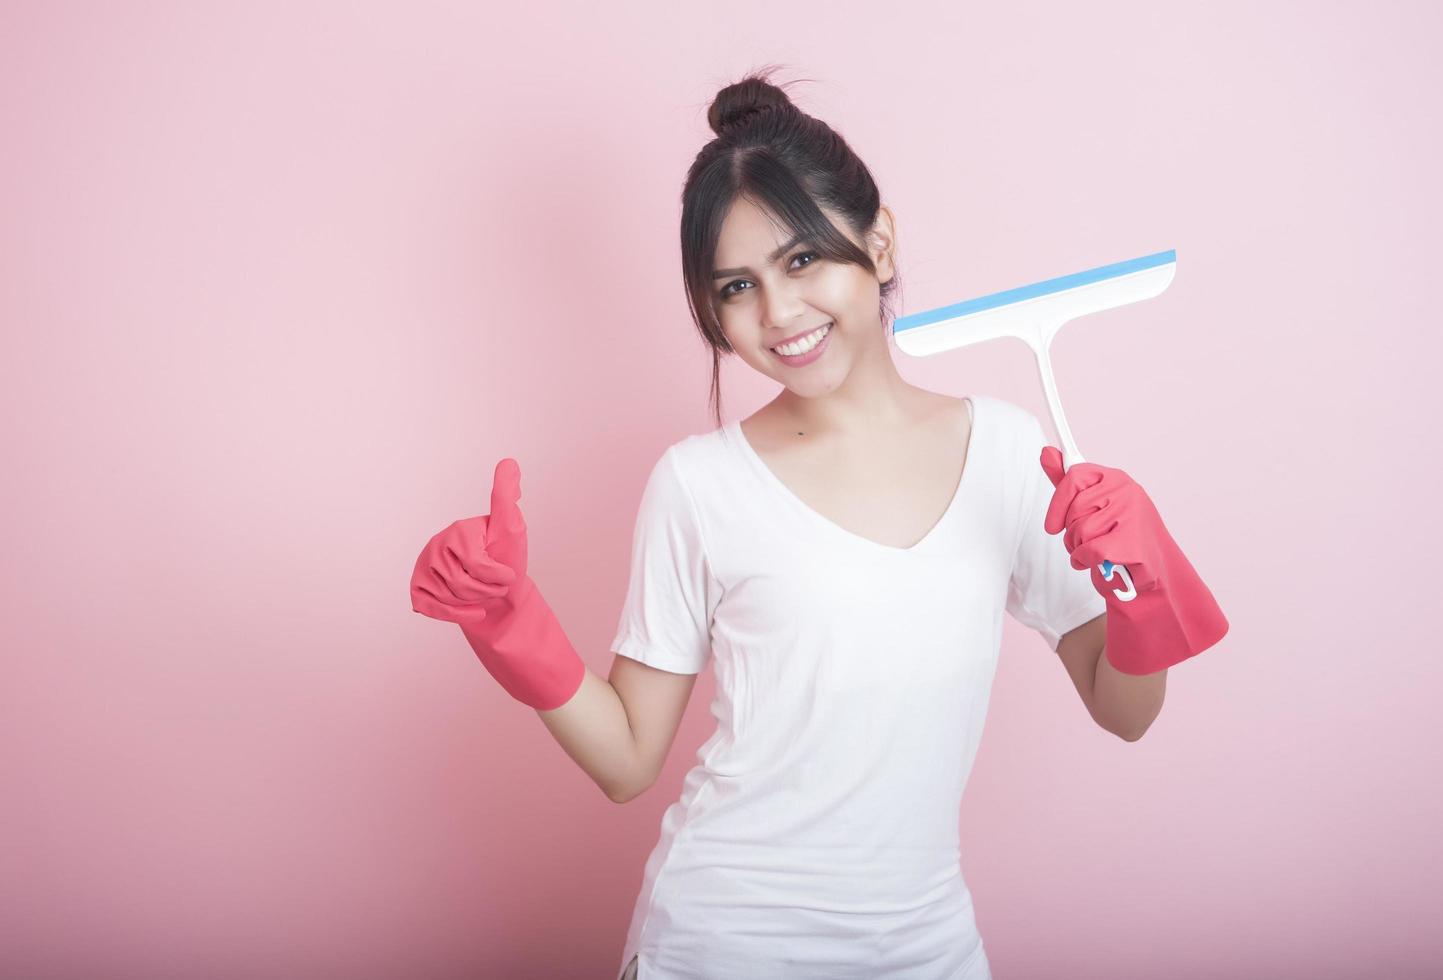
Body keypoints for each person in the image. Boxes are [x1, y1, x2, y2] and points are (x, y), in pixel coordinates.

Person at [410, 64, 1227, 980]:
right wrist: (510, 625)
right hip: (720, 947)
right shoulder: (699, 485)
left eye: (801, 260)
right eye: (735, 288)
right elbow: (630, 761)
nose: (779, 314)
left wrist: (1141, 586)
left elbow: (1126, 712)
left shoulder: (1007, 452)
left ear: (878, 244)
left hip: (927, 949)